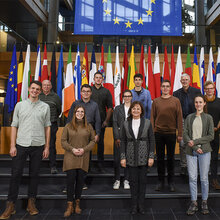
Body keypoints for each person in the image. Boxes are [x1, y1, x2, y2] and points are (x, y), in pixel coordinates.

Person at [0, 81, 51, 220]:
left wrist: (47, 147)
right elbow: (14, 125)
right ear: (29, 89)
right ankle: (10, 206)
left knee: (34, 175)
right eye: (33, 88)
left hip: (38, 144)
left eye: (37, 89)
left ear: (40, 91)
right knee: (15, 175)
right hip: (21, 144)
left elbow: (47, 127)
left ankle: (31, 203)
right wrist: (12, 145)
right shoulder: (19, 105)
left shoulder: (45, 107)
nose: (35, 91)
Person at [120, 101, 155, 215]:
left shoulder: (147, 123)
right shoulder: (125, 124)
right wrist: (123, 157)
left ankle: (141, 205)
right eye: (133, 108)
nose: (135, 110)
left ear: (141, 111)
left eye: (138, 109)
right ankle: (134, 206)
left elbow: (151, 140)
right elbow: (123, 141)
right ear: (130, 110)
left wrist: (151, 156)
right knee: (133, 182)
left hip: (144, 157)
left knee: (143, 182)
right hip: (130, 157)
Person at [61, 105, 95, 217]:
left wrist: (84, 150)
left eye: (82, 112)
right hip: (70, 157)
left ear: (84, 114)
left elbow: (92, 141)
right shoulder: (68, 126)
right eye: (78, 111)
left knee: (80, 182)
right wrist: (73, 149)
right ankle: (69, 206)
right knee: (70, 182)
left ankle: (77, 204)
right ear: (74, 113)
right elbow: (63, 141)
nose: (80, 113)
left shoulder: (89, 126)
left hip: (83, 157)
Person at [183, 95, 214, 215]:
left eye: (200, 102)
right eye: (196, 102)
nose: (198, 104)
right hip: (191, 151)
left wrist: (195, 142)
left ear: (204, 103)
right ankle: (194, 202)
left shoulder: (208, 118)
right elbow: (185, 134)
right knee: (192, 178)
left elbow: (210, 136)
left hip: (205, 151)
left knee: (204, 178)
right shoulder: (189, 117)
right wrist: (195, 147)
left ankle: (204, 201)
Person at [151, 80, 183, 192]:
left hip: (171, 133)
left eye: (167, 86)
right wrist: (152, 133)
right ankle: (160, 181)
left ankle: (171, 182)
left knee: (170, 159)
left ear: (170, 88)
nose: (165, 88)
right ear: (160, 88)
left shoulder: (176, 101)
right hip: (158, 133)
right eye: (163, 86)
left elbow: (179, 117)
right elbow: (152, 118)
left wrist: (180, 133)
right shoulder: (155, 101)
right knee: (159, 159)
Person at [173, 73, 201, 175]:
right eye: (183, 80)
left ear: (189, 81)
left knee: (195, 142)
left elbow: (200, 104)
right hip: (182, 120)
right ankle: (184, 166)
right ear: (180, 81)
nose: (184, 81)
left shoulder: (196, 91)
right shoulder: (176, 93)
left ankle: (194, 165)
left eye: (186, 80)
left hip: (194, 119)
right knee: (183, 144)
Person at [91, 71, 113, 170]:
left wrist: (106, 121)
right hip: (89, 121)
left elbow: (110, 108)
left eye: (100, 78)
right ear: (94, 79)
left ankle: (101, 164)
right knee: (88, 142)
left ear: (102, 79)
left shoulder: (106, 91)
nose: (98, 79)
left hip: (101, 121)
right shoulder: (89, 90)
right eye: (97, 77)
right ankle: (87, 164)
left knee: (100, 143)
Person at [39, 80, 61, 174]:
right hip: (38, 124)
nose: (46, 87)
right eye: (44, 85)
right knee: (38, 145)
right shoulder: (38, 96)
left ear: (51, 86)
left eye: (48, 85)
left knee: (51, 144)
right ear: (42, 86)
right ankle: (37, 166)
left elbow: (59, 110)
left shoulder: (55, 97)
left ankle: (53, 166)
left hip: (52, 124)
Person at [112, 89, 132, 190]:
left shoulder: (135, 108)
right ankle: (117, 179)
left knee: (128, 159)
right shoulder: (117, 108)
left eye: (129, 96)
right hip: (119, 137)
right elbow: (115, 123)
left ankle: (126, 180)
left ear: (131, 97)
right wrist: (116, 137)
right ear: (122, 97)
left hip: (131, 138)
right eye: (125, 96)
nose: (127, 98)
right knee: (117, 160)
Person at [204, 81, 220, 190]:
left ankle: (214, 180)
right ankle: (204, 180)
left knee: (214, 158)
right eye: (207, 88)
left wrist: (217, 127)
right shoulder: (201, 101)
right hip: (204, 134)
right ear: (205, 90)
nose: (210, 90)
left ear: (214, 89)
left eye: (211, 88)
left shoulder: (219, 101)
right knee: (204, 158)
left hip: (216, 132)